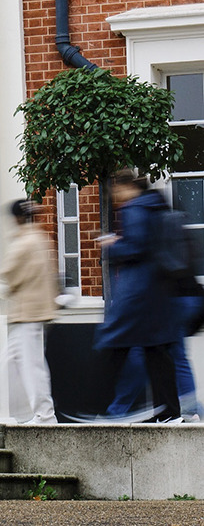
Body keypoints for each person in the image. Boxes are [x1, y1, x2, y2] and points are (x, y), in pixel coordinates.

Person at [91, 169, 181, 422]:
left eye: (116, 191)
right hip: (155, 292)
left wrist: (112, 245)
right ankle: (168, 412)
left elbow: (136, 246)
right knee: (156, 354)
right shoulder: (155, 207)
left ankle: (94, 408)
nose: (117, 197)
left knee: (112, 348)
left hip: (136, 293)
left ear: (125, 187)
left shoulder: (133, 209)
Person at [0, 200, 58, 425]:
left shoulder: (24, 242)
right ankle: (24, 414)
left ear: (17, 218)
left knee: (31, 367)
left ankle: (44, 416)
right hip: (31, 313)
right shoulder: (39, 238)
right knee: (10, 364)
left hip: (28, 313)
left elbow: (8, 273)